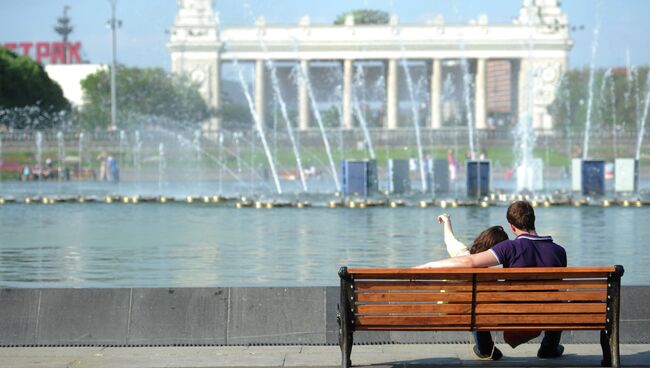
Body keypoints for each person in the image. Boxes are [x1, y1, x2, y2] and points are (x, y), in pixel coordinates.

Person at [416, 201, 567, 361]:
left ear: (512, 226)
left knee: (479, 299)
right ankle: (549, 346)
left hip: (512, 315)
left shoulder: (509, 247)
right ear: (533, 220)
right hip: (547, 313)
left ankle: (485, 348)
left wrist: (427, 266)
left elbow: (469, 262)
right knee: (559, 300)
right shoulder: (559, 251)